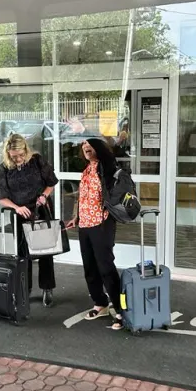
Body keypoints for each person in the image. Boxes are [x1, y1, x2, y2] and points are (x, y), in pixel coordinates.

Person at [0, 134, 59, 307]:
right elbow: (0, 196)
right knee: (23, 255)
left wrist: (44, 195)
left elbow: (51, 182)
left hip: (40, 210)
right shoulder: (4, 169)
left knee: (45, 252)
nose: (19, 159)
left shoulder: (36, 161)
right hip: (20, 214)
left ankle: (47, 288)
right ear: (8, 154)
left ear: (26, 150)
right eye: (14, 157)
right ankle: (25, 289)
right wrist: (16, 207)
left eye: (21, 155)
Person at [66, 138, 124, 331]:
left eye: (90, 147)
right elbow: (81, 197)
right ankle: (100, 304)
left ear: (98, 149)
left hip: (102, 223)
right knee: (90, 267)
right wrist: (77, 217)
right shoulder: (86, 170)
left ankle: (120, 309)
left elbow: (115, 195)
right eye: (84, 148)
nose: (86, 150)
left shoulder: (107, 169)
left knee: (106, 267)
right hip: (86, 224)